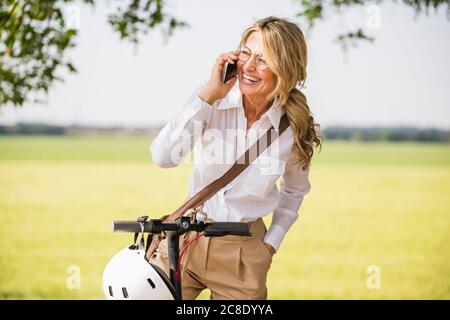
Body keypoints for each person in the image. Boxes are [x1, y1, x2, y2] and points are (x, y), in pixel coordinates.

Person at [147, 16, 322, 300]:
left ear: (286, 69)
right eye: (245, 53)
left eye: (263, 60)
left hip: (243, 254)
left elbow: (294, 191)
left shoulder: (293, 127)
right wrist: (209, 96)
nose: (249, 67)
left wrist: (269, 246)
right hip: (187, 240)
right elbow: (163, 156)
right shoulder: (209, 101)